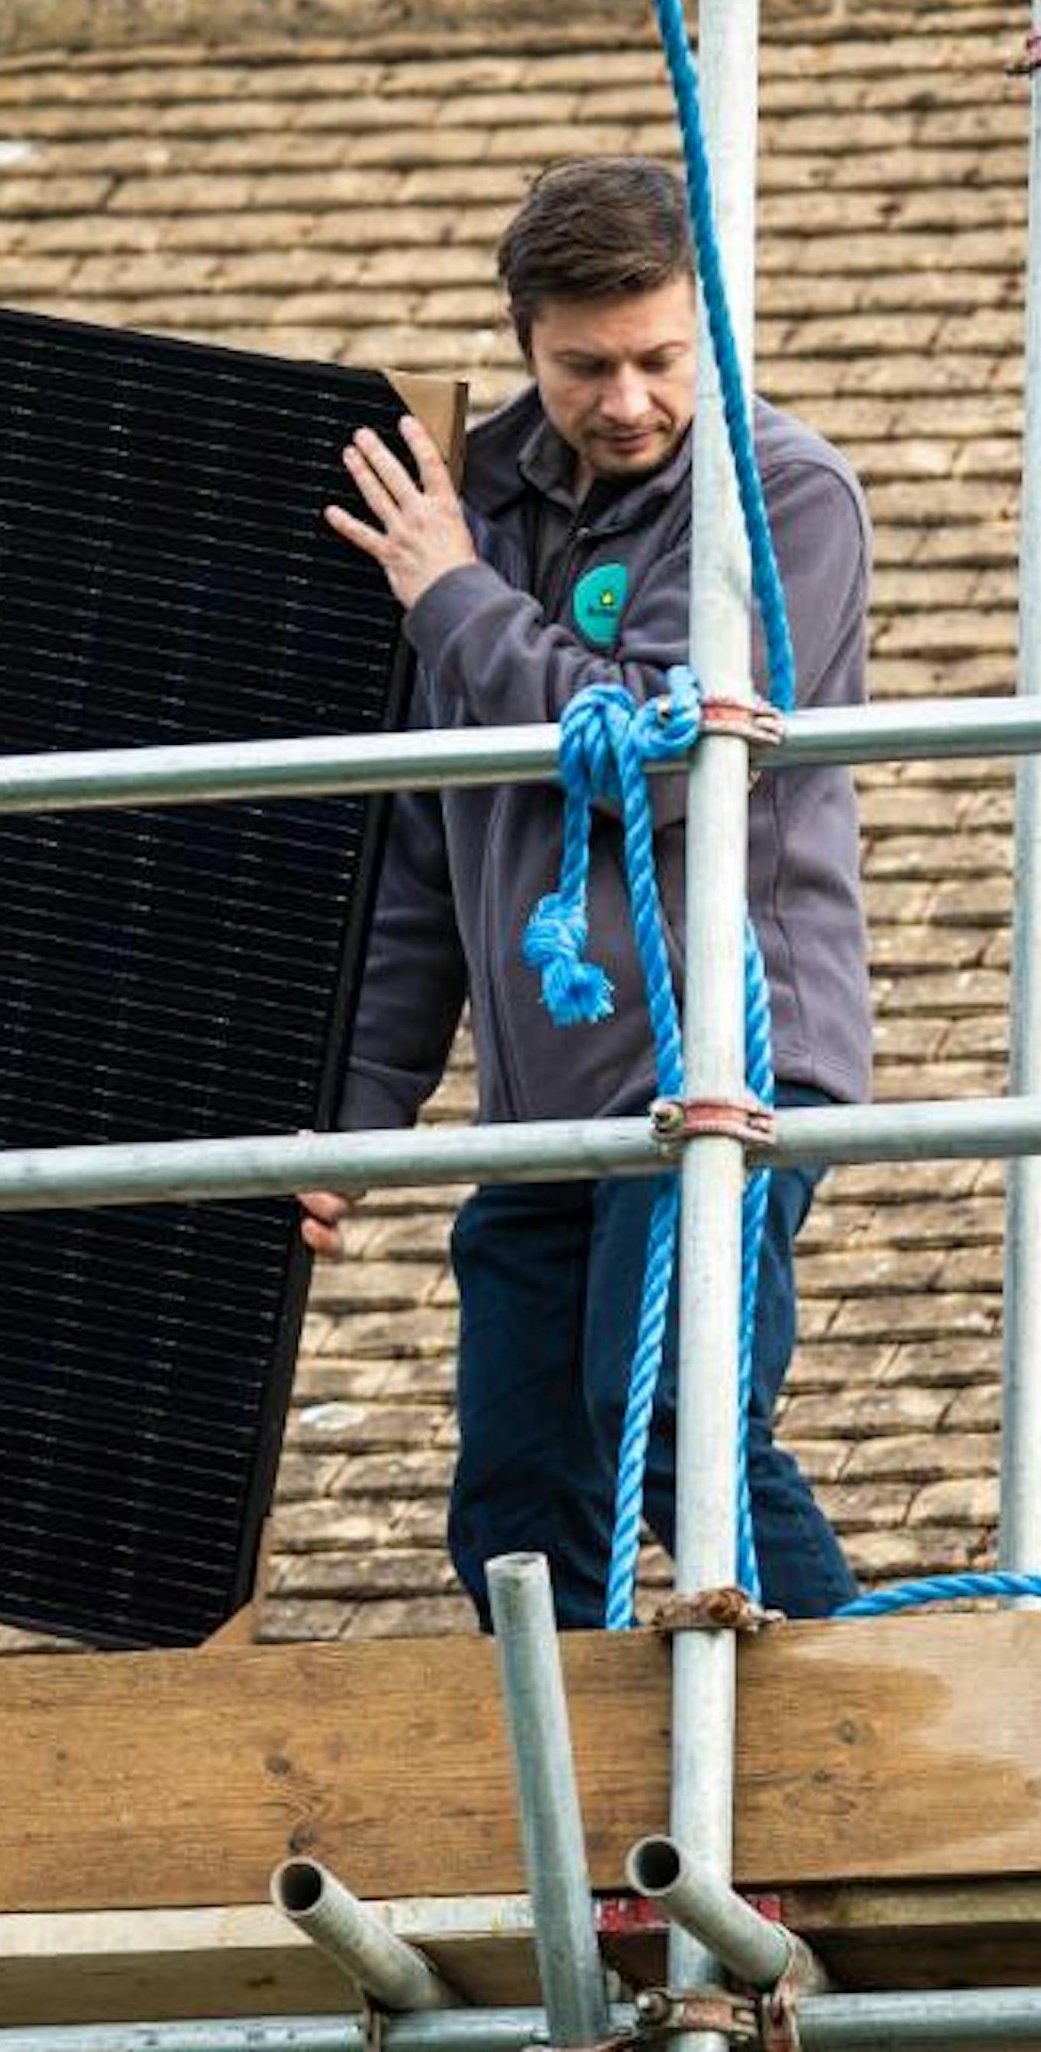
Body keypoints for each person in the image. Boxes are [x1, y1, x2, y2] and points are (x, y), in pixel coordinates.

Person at [309, 156, 870, 1628]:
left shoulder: (779, 496)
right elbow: (430, 855)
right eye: (584, 367)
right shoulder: (466, 509)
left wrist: (451, 602)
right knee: (510, 1493)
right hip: (547, 1102)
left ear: (710, 330)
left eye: (659, 360)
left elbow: (670, 751)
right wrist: (349, 1133)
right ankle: (602, 1830)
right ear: (524, 344)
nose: (626, 400)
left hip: (723, 1059)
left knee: (679, 1420)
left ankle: (881, 1744)